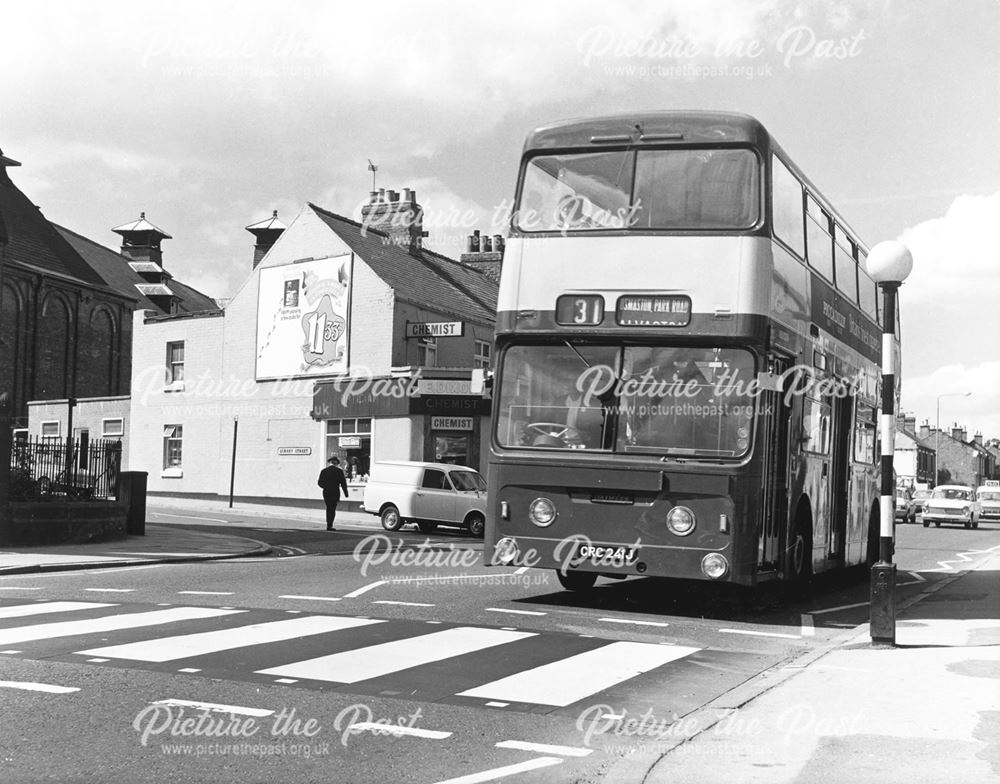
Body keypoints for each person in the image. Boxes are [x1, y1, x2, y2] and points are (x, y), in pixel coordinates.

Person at [317, 456, 349, 530]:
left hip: (326, 492)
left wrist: (325, 487)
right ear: (336, 463)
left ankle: (328, 523)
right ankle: (330, 524)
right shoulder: (339, 471)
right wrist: (346, 493)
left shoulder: (324, 471)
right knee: (332, 508)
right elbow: (343, 483)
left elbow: (319, 483)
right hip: (335, 492)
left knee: (328, 507)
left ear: (330, 463)